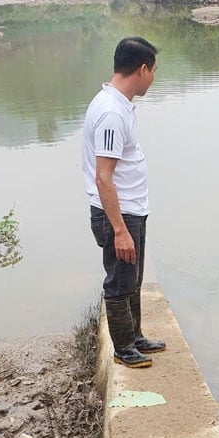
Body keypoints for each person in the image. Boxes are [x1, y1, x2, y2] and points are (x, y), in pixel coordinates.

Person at [82, 37, 166, 368]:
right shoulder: (111, 113)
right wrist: (118, 229)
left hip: (132, 209)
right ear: (142, 69)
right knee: (119, 281)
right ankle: (123, 348)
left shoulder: (120, 105)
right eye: (154, 70)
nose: (154, 78)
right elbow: (104, 176)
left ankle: (134, 336)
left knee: (132, 277)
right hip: (118, 214)